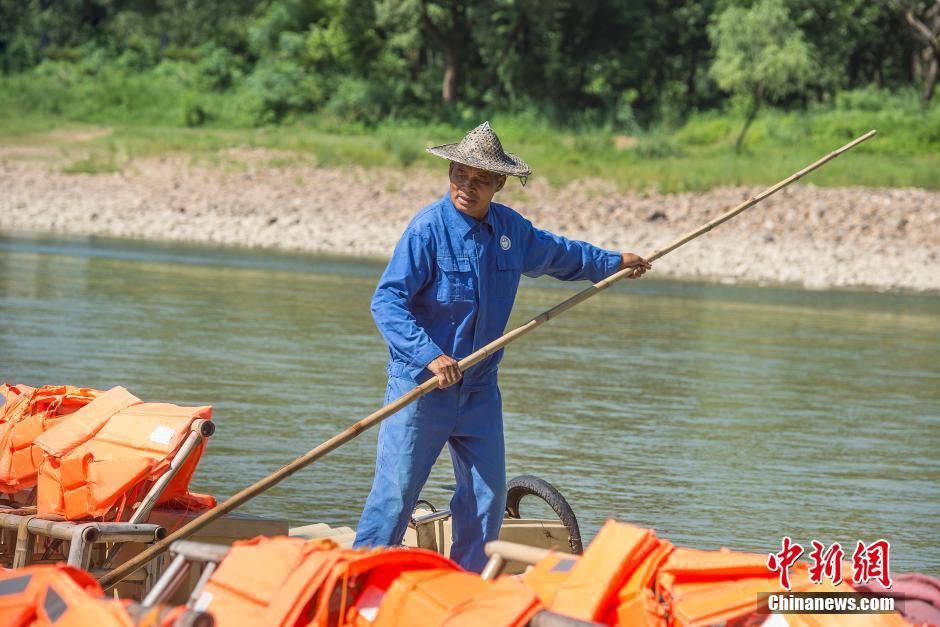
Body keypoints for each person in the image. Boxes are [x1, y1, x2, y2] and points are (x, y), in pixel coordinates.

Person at [353, 121, 650, 571]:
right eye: (459, 175)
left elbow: (562, 255)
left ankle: (469, 589)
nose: (466, 187)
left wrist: (613, 263)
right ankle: (358, 578)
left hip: (479, 393)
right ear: (449, 171)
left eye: (479, 179)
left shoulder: (511, 232)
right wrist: (430, 355)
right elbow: (387, 302)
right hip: (421, 388)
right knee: (395, 496)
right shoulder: (427, 231)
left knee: (486, 499)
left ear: (500, 183)